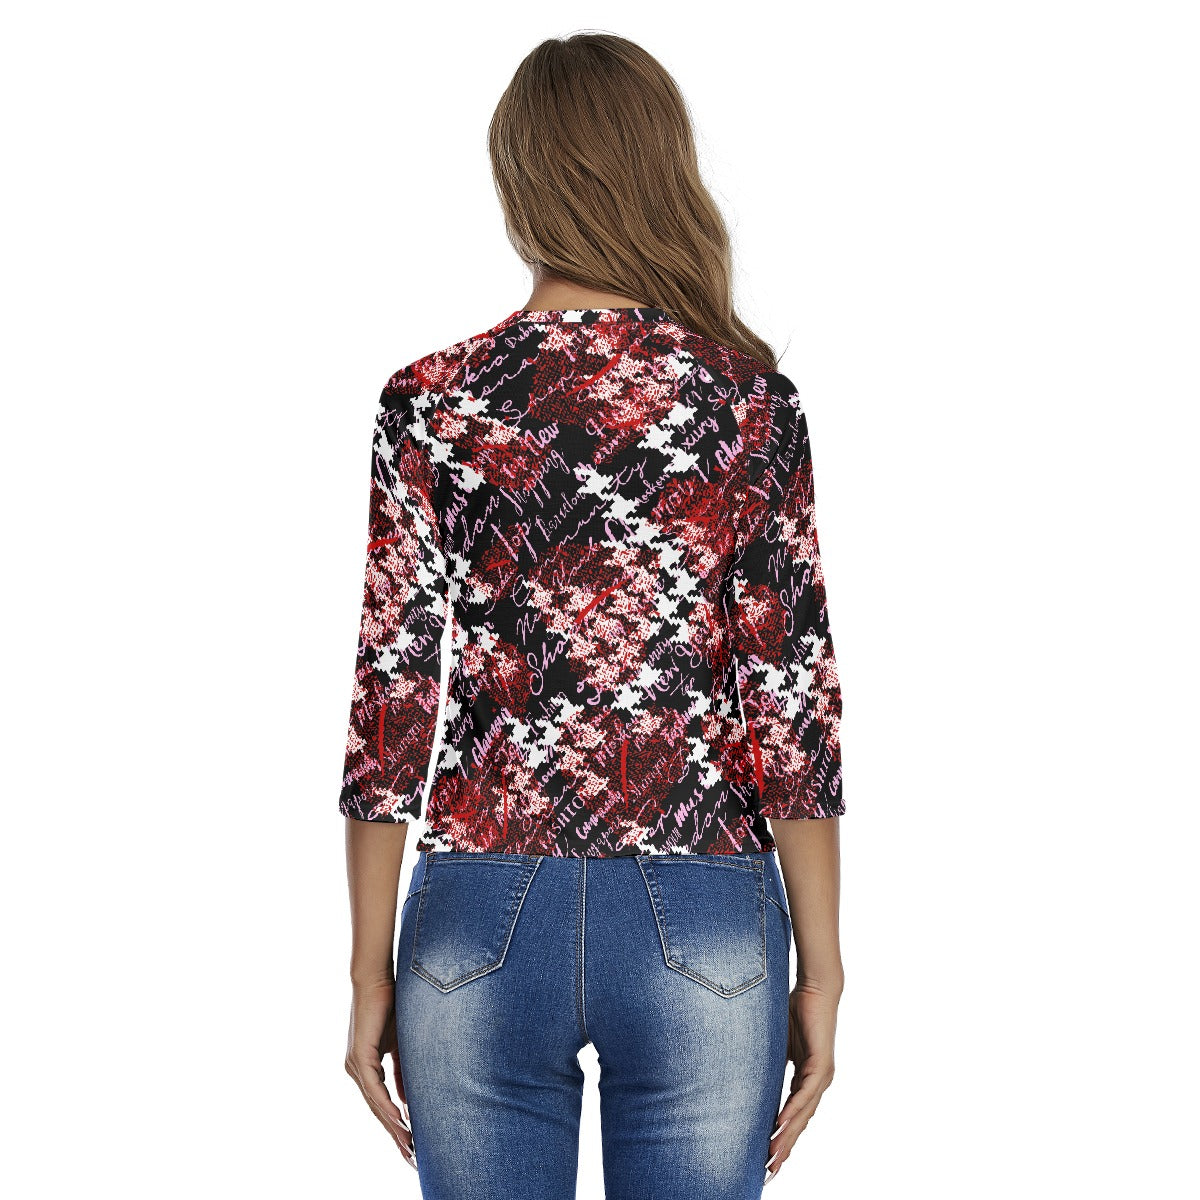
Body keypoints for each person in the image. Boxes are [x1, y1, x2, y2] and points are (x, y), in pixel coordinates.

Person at [340, 32, 845, 1200]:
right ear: (663, 167)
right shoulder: (747, 403)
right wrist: (821, 969)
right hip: (703, 905)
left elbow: (390, 697)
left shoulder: (429, 403)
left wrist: (368, 969)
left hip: (477, 912)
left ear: (516, 177)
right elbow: (790, 701)